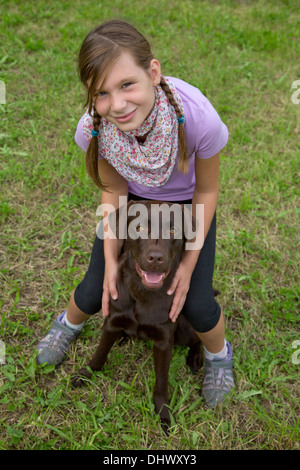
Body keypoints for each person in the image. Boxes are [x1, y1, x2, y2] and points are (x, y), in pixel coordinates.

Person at [36, 19, 234, 407]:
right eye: (102, 93)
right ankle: (67, 325)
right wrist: (112, 257)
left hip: (185, 207)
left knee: (194, 302)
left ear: (153, 73)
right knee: (98, 289)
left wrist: (189, 262)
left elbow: (207, 190)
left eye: (127, 84)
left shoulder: (197, 118)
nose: (118, 104)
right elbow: (114, 189)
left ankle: (218, 356)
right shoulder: (94, 129)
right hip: (134, 207)